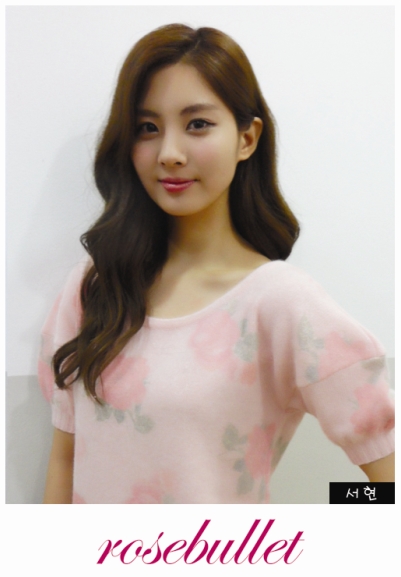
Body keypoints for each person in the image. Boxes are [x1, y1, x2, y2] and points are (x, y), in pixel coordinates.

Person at [39, 23, 395, 504]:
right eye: (147, 128)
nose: (169, 154)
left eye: (197, 124)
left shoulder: (280, 303)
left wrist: (326, 532)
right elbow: (65, 460)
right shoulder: (96, 285)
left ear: (247, 138)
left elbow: (387, 478)